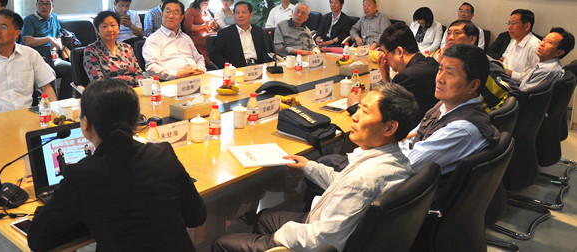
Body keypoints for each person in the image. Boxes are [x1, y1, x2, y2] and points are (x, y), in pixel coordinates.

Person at [211, 83, 417, 252]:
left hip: (318, 240)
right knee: (265, 218)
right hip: (332, 228)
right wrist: (309, 166)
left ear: (390, 127)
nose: (355, 116)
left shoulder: (363, 180)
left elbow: (322, 240)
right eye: (359, 108)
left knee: (221, 243)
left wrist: (279, 238)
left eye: (365, 111)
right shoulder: (396, 161)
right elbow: (344, 184)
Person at [27, 79, 206, 251]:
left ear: (86, 122)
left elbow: (37, 240)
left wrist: (86, 215)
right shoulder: (163, 154)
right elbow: (197, 216)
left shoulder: (81, 175)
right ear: (135, 119)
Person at [398, 44, 500, 174]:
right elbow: (412, 138)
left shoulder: (462, 128)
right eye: (440, 70)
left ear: (473, 85)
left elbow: (407, 165)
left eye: (450, 73)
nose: (439, 79)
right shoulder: (445, 105)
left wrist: (388, 146)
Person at [442, 20, 519, 111]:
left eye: (457, 33)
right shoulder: (455, 61)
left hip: (475, 114)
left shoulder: (485, 64)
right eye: (448, 33)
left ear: (472, 39)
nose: (450, 37)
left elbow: (514, 93)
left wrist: (492, 115)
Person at [376, 22, 439, 114]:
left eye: (385, 53)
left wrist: (384, 77)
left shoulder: (405, 77)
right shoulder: (432, 62)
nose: (385, 59)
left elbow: (387, 108)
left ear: (399, 51)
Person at [21, 0, 73, 99]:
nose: (44, 6)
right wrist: (48, 39)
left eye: (47, 4)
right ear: (36, 5)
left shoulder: (54, 17)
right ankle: (53, 104)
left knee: (71, 69)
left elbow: (58, 35)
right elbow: (27, 41)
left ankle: (64, 100)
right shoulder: (29, 20)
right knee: (50, 75)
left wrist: (58, 43)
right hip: (37, 59)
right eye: (41, 4)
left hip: (53, 57)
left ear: (52, 6)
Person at [143, 0, 207, 80]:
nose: (171, 16)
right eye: (168, 12)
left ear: (181, 18)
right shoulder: (153, 39)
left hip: (195, 77)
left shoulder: (186, 38)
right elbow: (152, 67)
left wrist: (200, 69)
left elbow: (199, 58)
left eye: (175, 13)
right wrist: (177, 74)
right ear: (162, 14)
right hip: (171, 81)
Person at [83, 11, 143, 87]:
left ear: (118, 28)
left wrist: (139, 89)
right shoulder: (91, 51)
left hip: (134, 90)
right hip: (109, 91)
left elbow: (139, 74)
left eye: (113, 25)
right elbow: (98, 82)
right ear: (97, 31)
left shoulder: (127, 47)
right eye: (104, 26)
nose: (110, 29)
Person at [211, 1, 269, 68]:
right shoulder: (225, 33)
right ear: (233, 15)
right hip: (237, 68)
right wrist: (229, 67)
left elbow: (264, 53)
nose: (240, 15)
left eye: (243, 12)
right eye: (237, 13)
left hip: (259, 67)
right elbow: (216, 55)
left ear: (251, 15)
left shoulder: (258, 31)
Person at [501, 9, 541, 82]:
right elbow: (506, 62)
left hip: (522, 86)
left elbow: (538, 76)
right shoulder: (514, 41)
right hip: (508, 81)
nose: (509, 27)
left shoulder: (534, 46)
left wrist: (512, 74)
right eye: (509, 23)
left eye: (513, 23)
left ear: (527, 26)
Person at [183, 0, 217, 65]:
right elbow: (188, 28)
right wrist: (203, 25)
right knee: (210, 40)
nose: (207, 6)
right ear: (198, 1)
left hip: (208, 33)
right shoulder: (190, 11)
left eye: (208, 4)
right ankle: (209, 62)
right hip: (196, 36)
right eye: (205, 3)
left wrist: (214, 24)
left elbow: (212, 26)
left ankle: (217, 61)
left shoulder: (206, 12)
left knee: (220, 36)